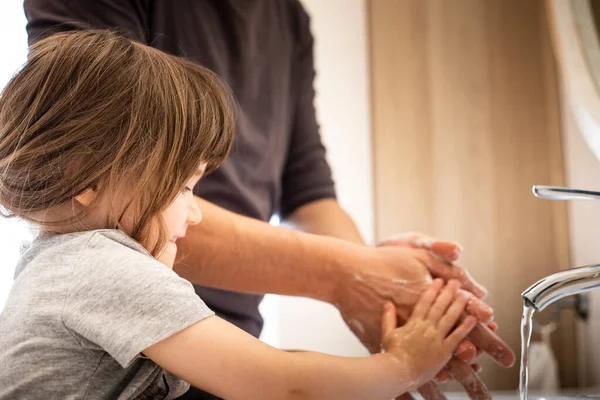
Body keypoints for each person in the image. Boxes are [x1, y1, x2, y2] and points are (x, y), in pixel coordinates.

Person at [23, 1, 515, 398]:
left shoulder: (59, 265)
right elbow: (287, 385)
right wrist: (402, 364)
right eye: (186, 188)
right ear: (83, 177)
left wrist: (376, 272)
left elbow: (308, 187)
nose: (192, 213)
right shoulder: (110, 271)